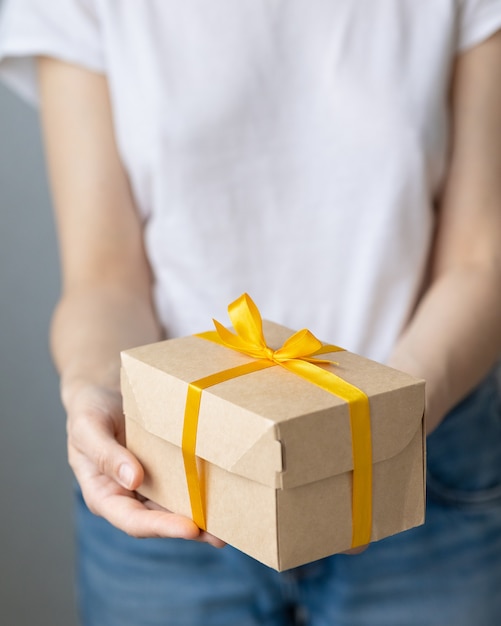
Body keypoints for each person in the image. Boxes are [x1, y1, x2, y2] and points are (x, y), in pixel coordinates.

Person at [1, 1, 501, 624]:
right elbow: (105, 276)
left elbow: (479, 263)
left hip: (422, 464)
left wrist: (382, 425)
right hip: (171, 467)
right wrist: (92, 388)